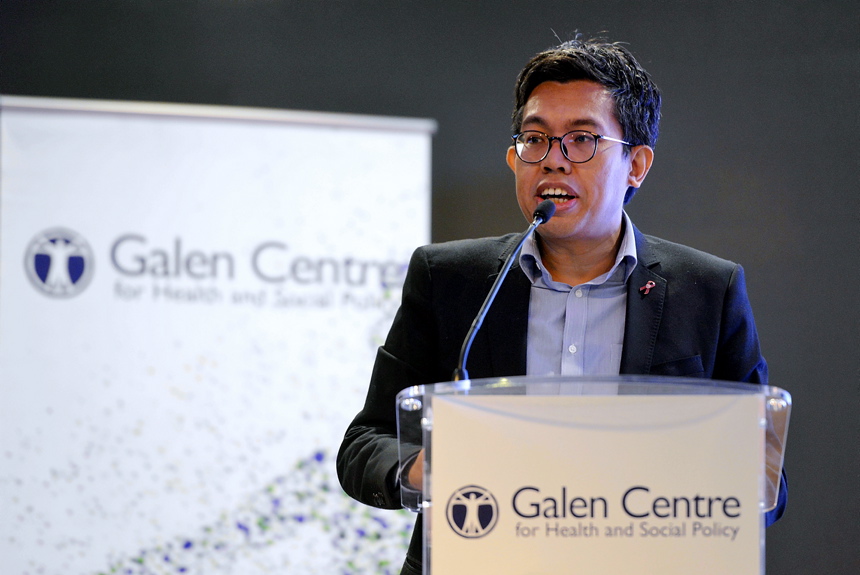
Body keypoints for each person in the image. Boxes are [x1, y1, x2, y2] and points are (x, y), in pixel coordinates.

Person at [337, 36, 787, 575]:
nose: (553, 161)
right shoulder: (450, 279)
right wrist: (419, 470)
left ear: (636, 164)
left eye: (581, 140)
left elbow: (766, 479)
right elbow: (365, 444)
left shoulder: (706, 290)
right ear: (514, 158)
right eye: (535, 139)